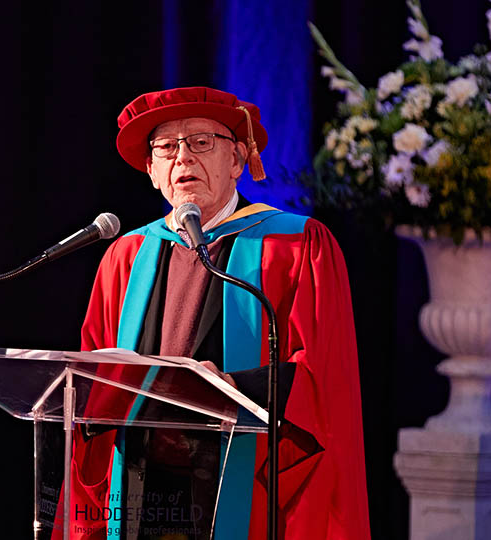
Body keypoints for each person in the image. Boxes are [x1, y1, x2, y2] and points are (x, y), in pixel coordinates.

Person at [63, 87, 370, 539]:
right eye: (166, 147)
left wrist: (228, 389)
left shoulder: (296, 245)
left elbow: (322, 377)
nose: (182, 158)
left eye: (201, 142)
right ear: (151, 170)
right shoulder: (126, 256)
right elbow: (92, 377)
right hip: (139, 481)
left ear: (237, 159)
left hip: (247, 479)